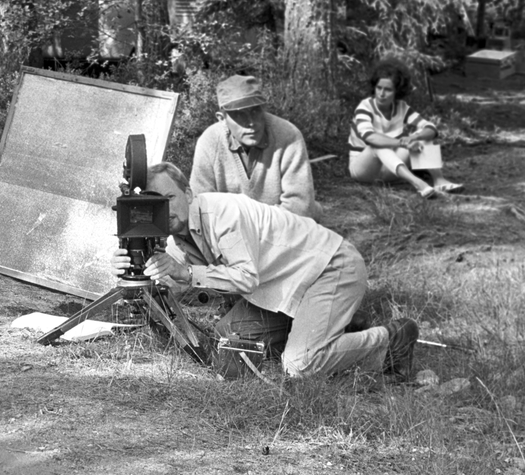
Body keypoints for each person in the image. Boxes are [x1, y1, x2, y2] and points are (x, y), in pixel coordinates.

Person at [112, 162, 420, 380]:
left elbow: (244, 277)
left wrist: (187, 274)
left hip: (330, 267)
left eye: (169, 199)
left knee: (300, 366)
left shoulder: (221, 214)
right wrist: (135, 265)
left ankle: (391, 339)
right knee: (227, 343)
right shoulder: (180, 231)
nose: (166, 211)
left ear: (188, 194)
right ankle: (339, 326)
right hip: (282, 286)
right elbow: (178, 282)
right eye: (157, 206)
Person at [190, 74, 319, 219]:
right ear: (222, 118)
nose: (251, 122)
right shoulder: (209, 142)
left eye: (255, 111)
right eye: (239, 114)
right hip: (229, 233)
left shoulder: (288, 135)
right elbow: (200, 206)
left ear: (264, 108)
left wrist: (252, 227)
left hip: (283, 230)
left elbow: (300, 207)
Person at [349, 59, 463, 198]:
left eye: (388, 89)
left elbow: (431, 128)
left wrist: (414, 138)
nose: (381, 94)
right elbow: (369, 137)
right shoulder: (365, 107)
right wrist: (402, 142)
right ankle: (418, 183)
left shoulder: (401, 107)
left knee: (422, 136)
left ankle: (439, 180)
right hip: (364, 170)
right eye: (379, 88)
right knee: (376, 144)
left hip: (390, 170)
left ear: (397, 91)